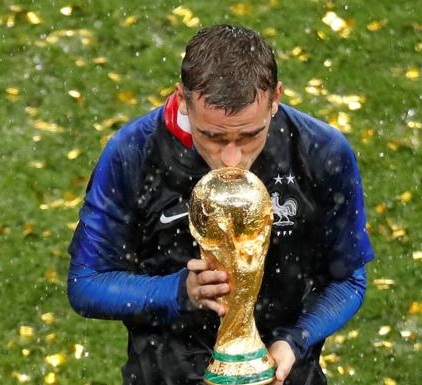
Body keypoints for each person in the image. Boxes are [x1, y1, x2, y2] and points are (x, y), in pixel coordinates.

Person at [67, 24, 375, 385]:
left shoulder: (320, 151)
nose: (232, 158)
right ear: (182, 99)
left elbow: (349, 280)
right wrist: (180, 292)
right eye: (212, 136)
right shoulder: (133, 153)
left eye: (249, 135)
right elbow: (86, 284)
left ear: (275, 98)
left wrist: (294, 342)